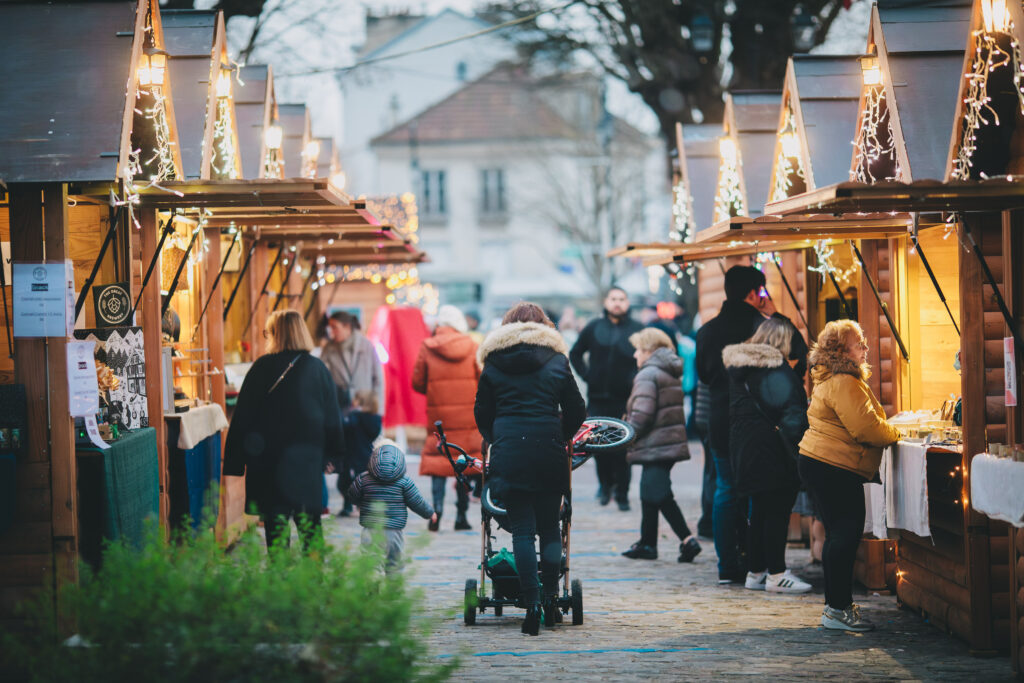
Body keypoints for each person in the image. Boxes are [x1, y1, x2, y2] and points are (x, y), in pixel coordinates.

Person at [475, 302, 586, 635]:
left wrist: (499, 437)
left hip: (510, 450)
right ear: (545, 326)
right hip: (549, 449)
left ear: (507, 327)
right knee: (550, 528)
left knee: (522, 530)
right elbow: (577, 408)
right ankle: (552, 600)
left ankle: (531, 604)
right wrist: (562, 435)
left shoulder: (494, 361)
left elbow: (482, 413)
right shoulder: (556, 360)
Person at [696, 265, 808, 584]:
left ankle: (727, 565)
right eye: (762, 290)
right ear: (752, 294)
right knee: (760, 493)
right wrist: (777, 315)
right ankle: (756, 562)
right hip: (763, 421)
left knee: (726, 488)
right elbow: (799, 354)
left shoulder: (707, 331)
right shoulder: (764, 325)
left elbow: (704, 376)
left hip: (722, 418)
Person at [798, 320, 900, 631]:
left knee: (839, 533)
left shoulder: (835, 379)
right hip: (834, 466)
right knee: (844, 533)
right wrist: (896, 432)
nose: (866, 348)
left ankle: (837, 607)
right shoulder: (843, 380)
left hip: (825, 463)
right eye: (860, 343)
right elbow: (865, 428)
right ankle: (837, 609)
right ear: (842, 350)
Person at [224, 310, 345, 552]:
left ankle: (279, 582)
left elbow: (243, 417)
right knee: (310, 527)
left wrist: (235, 463)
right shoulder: (317, 368)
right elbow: (333, 417)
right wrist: (335, 456)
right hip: (307, 462)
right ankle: (313, 580)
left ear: (275, 334)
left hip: (269, 464)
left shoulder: (260, 368)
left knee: (275, 530)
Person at [723, 317, 811, 594]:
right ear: (783, 341)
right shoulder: (776, 370)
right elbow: (793, 417)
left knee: (759, 511)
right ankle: (776, 573)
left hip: (745, 450)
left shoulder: (743, 369)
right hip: (773, 452)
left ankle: (756, 571)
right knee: (777, 512)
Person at [620, 328, 701, 563]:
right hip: (666, 441)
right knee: (649, 492)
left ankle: (687, 540)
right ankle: (647, 543)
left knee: (659, 493)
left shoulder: (648, 374)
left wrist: (627, 432)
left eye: (638, 349)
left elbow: (642, 413)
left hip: (656, 443)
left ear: (649, 351)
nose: (635, 355)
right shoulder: (669, 370)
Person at [569, 287, 643, 510]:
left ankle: (622, 494)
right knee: (597, 446)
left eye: (621, 299)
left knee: (623, 448)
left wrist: (636, 381)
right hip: (598, 398)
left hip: (625, 399)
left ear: (628, 303)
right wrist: (588, 375)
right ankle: (604, 487)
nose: (617, 303)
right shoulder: (594, 327)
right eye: (613, 299)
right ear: (606, 302)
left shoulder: (637, 329)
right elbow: (575, 353)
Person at [411, 305, 482, 532]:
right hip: (467, 417)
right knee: (463, 461)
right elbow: (483, 379)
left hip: (439, 416)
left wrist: (436, 390)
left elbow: (417, 382)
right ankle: (461, 515)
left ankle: (437, 512)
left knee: (438, 461)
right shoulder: (472, 345)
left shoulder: (428, 346)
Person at [348, 444, 436, 575]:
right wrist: (430, 513)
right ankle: (393, 590)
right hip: (394, 532)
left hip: (371, 529)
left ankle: (372, 585)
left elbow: (352, 496)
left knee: (371, 561)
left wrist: (361, 502)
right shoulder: (405, 482)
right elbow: (417, 502)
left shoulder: (363, 479)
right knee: (394, 563)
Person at [320, 310, 383, 412]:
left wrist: (378, 410)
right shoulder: (329, 348)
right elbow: (320, 374)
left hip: (366, 407)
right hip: (341, 408)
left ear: (347, 327)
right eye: (330, 327)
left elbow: (378, 378)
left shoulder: (366, 345)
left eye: (334, 327)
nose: (331, 332)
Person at [339, 389, 383, 517]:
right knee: (363, 483)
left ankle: (350, 506)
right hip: (366, 455)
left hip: (351, 455)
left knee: (345, 483)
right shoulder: (375, 419)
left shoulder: (354, 417)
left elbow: (345, 429)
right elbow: (374, 433)